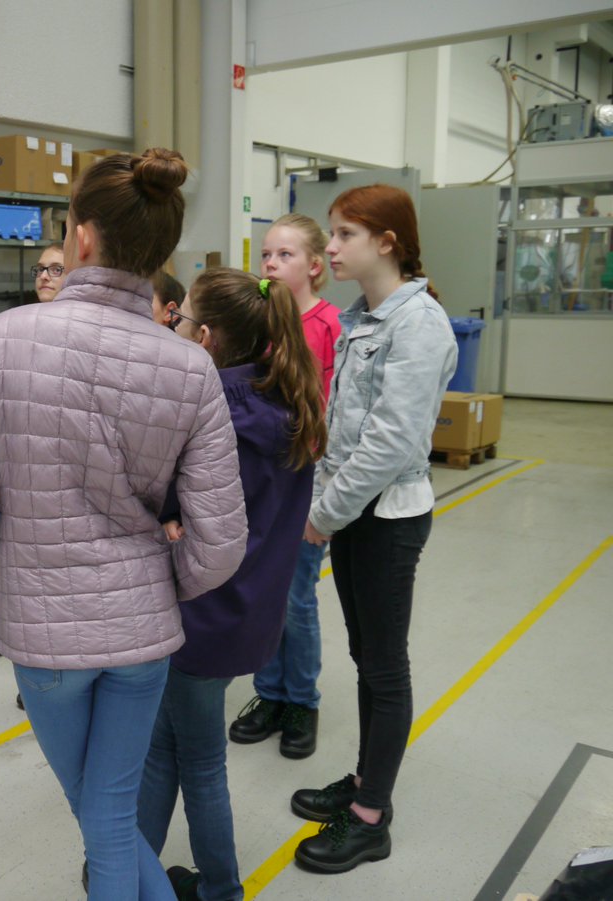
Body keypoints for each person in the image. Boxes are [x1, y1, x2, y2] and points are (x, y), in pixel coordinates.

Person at [0, 149, 248, 901]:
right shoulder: (189, 368)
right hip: (142, 639)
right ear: (160, 253)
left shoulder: (6, 340)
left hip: (44, 637)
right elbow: (222, 538)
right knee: (108, 815)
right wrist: (153, 584)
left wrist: (8, 577)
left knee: (100, 817)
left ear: (80, 238)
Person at [138, 269, 326, 901]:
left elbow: (174, 505)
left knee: (200, 763)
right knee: (167, 747)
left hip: (203, 614)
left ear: (209, 337)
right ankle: (127, 868)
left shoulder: (218, 416)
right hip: (243, 613)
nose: (178, 330)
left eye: (184, 321)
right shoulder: (280, 403)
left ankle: (220, 888)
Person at [291, 184, 456, 874]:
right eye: (332, 233)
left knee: (385, 666)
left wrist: (321, 517)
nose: (331, 248)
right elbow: (343, 430)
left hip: (385, 520)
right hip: (356, 512)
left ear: (387, 241)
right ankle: (364, 779)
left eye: (344, 234)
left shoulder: (419, 327)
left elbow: (388, 445)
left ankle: (370, 817)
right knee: (366, 656)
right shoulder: (366, 318)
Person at [228, 213, 340, 759]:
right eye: (266, 255)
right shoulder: (260, 323)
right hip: (261, 480)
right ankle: (268, 694)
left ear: (315, 266)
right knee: (263, 591)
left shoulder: (329, 327)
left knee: (296, 599)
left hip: (306, 481)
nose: (270, 264)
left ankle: (302, 701)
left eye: (285, 255)